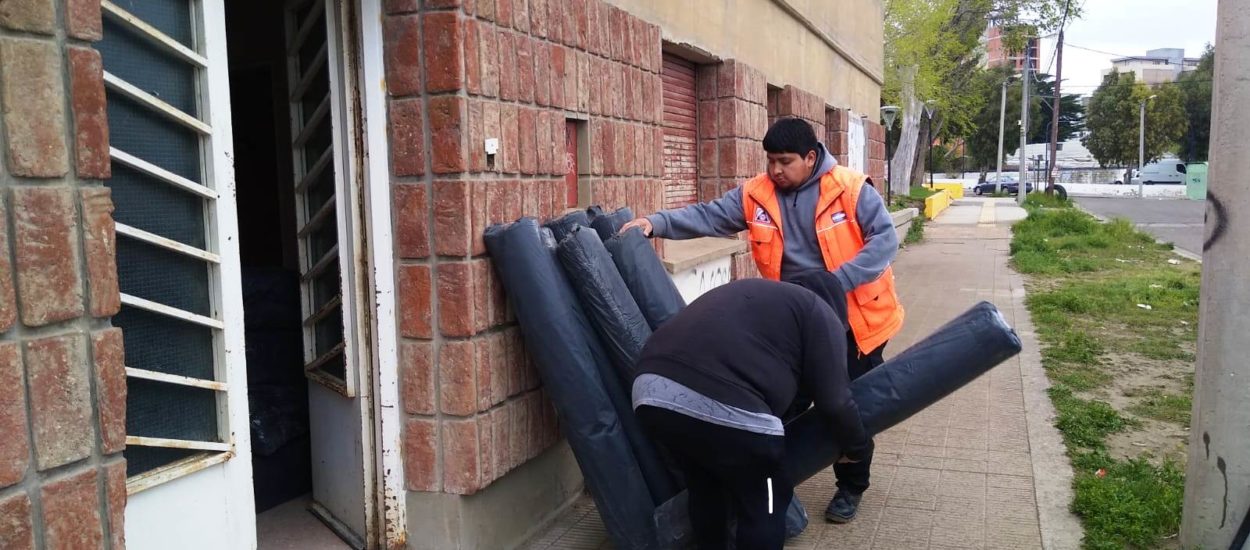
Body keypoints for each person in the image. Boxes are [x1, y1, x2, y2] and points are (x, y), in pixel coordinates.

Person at [621, 117, 904, 523]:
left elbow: (885, 240)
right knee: (782, 406)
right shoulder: (757, 194)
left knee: (848, 406)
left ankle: (852, 485)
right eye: (770, 161)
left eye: (784, 162)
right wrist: (657, 223)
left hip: (856, 322)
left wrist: (835, 283)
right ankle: (771, 488)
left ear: (811, 158)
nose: (775, 170)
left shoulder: (851, 188)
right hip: (793, 326)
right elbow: (709, 216)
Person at [632, 277, 870, 550]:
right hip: (721, 398)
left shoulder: (758, 298)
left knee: (706, 487)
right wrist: (856, 448)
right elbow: (836, 400)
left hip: (649, 392)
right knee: (767, 495)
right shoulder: (820, 312)